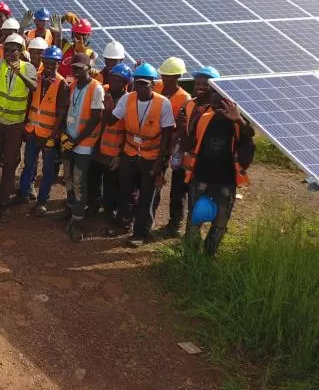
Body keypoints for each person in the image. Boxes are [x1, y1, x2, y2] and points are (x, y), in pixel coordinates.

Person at [179, 67, 254, 255]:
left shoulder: (237, 120)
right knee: (194, 220)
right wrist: (182, 128)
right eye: (212, 96)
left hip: (226, 180)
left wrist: (238, 120)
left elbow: (249, 137)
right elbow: (190, 143)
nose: (215, 100)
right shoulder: (202, 117)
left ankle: (209, 255)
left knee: (220, 222)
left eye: (219, 96)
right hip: (200, 177)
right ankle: (190, 255)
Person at [104, 63, 174, 247]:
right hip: (130, 153)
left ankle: (141, 233)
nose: (140, 87)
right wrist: (108, 108)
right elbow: (112, 121)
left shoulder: (163, 104)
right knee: (125, 190)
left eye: (144, 84)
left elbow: (167, 133)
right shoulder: (127, 99)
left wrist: (161, 161)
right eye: (137, 83)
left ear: (153, 84)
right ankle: (123, 224)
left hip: (151, 157)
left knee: (146, 196)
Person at [0, 33, 37, 221]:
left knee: (8, 164)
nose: (7, 54)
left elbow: (33, 86)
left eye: (12, 51)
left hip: (14, 124)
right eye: (5, 50)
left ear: (20, 51)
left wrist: (19, 73)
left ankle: (4, 204)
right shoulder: (1, 65)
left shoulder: (28, 68)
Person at [60, 53, 105, 241]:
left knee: (79, 180)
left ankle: (78, 218)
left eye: (79, 68)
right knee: (68, 177)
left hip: (83, 144)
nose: (76, 71)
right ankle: (71, 208)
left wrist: (76, 140)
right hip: (69, 140)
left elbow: (95, 119)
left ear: (88, 68)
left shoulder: (96, 88)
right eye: (74, 68)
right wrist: (65, 134)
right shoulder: (73, 86)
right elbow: (69, 111)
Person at [17, 45, 67, 215]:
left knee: (47, 170)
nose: (49, 66)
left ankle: (42, 201)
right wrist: (25, 125)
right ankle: (23, 193)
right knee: (28, 165)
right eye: (47, 62)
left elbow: (61, 112)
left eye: (53, 63)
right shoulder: (36, 78)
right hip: (32, 131)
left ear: (58, 63)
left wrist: (54, 134)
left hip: (48, 136)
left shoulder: (62, 84)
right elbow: (29, 102)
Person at [87, 63, 133, 226]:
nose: (113, 82)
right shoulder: (103, 91)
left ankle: (109, 209)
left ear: (125, 83)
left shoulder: (128, 100)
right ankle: (93, 205)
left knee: (111, 183)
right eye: (112, 78)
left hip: (114, 150)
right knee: (93, 178)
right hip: (97, 145)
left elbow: (127, 128)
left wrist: (121, 154)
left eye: (118, 80)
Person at [156, 56, 193, 238]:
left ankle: (175, 224)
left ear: (178, 76)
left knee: (177, 188)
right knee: (154, 181)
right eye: (163, 75)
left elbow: (184, 126)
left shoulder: (185, 99)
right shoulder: (156, 88)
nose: (164, 78)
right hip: (154, 143)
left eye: (168, 76)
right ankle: (147, 217)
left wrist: (173, 140)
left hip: (174, 146)